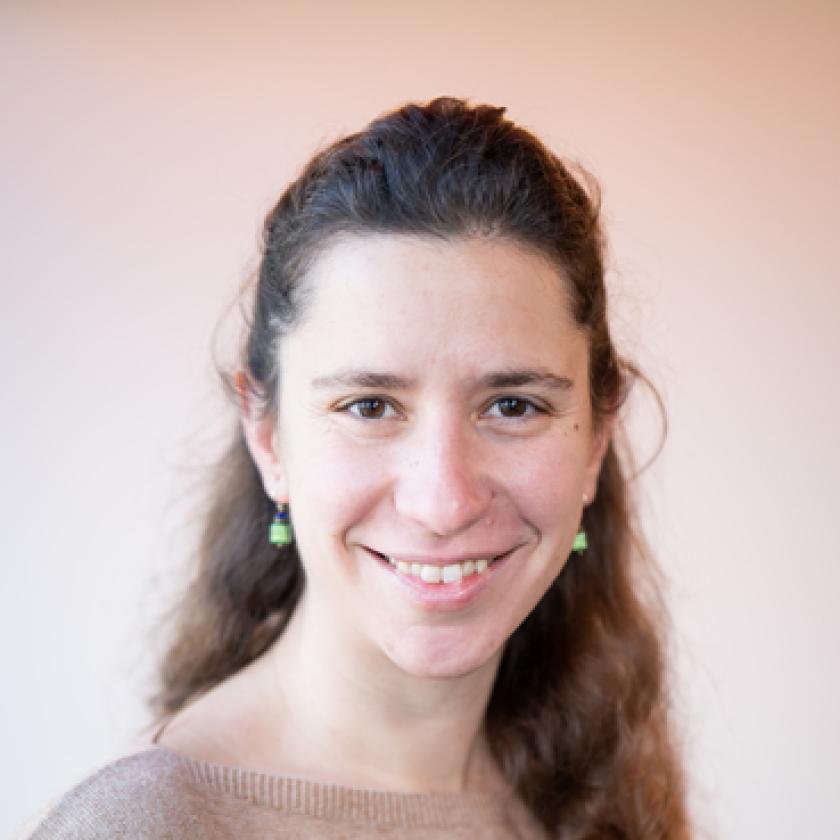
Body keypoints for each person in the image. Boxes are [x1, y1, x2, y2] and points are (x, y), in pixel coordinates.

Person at [31, 97, 690, 839]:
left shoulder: (594, 791)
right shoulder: (143, 826)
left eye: (512, 406)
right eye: (370, 406)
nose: (443, 502)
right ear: (270, 437)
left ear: (597, 438)